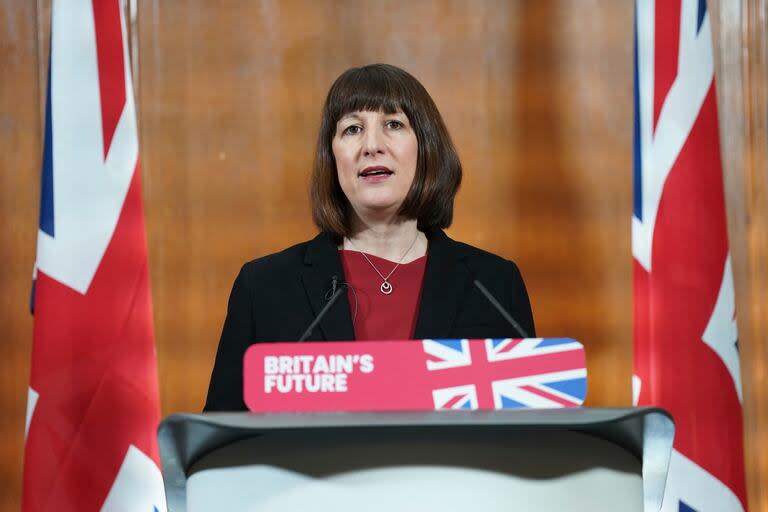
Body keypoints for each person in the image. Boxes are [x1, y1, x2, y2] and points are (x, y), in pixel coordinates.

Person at [204, 64, 535, 411]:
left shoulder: (495, 285)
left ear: (425, 147)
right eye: (352, 129)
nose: (372, 145)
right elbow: (219, 450)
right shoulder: (265, 287)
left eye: (393, 124)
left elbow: (530, 444)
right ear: (331, 157)